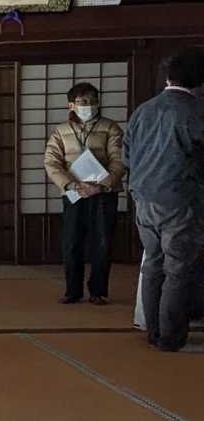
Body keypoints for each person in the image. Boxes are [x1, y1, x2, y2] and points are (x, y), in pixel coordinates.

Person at [123, 52, 204, 351]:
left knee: (153, 264)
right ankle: (170, 337)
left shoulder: (143, 111)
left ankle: (153, 330)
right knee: (178, 269)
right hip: (179, 201)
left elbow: (127, 156)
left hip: (143, 199)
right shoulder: (194, 112)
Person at [43, 82, 126, 304]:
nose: (88, 106)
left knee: (102, 242)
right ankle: (72, 291)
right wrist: (70, 185)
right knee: (71, 242)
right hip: (74, 192)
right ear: (71, 105)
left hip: (104, 192)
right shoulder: (60, 131)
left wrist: (102, 185)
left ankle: (97, 291)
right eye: (82, 102)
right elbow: (51, 162)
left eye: (92, 101)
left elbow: (119, 160)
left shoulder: (111, 127)